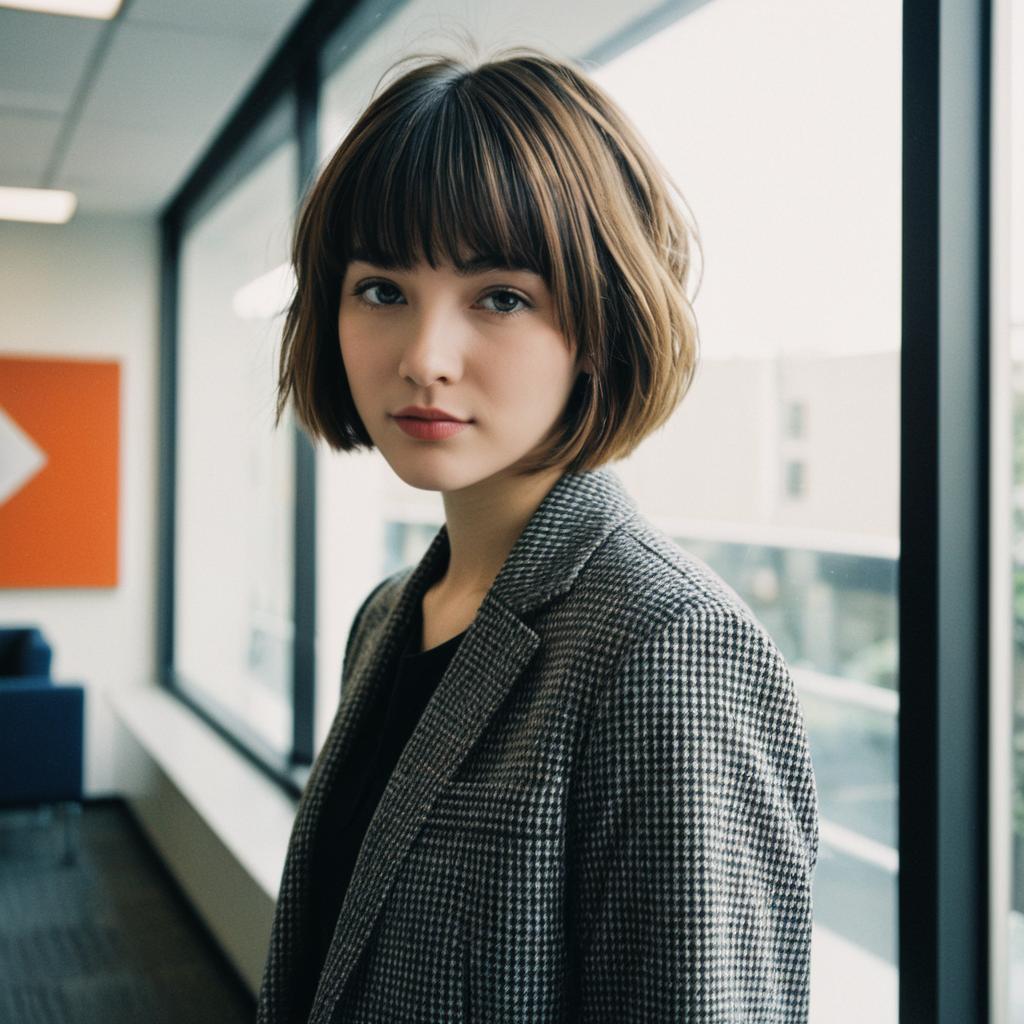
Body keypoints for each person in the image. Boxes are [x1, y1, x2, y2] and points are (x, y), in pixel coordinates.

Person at [256, 42, 818, 1024]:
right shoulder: (387, 617)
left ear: (598, 324)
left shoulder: (663, 646)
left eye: (501, 297)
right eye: (382, 289)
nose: (425, 357)